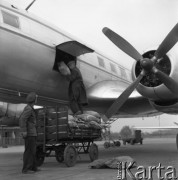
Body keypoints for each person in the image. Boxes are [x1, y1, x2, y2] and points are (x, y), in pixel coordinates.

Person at [19, 92, 40, 174]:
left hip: (32, 133)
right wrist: (24, 131)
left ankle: (34, 168)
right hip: (29, 134)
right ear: (34, 100)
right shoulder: (28, 109)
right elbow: (22, 119)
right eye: (36, 98)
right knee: (29, 151)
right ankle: (26, 169)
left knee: (33, 151)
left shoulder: (30, 108)